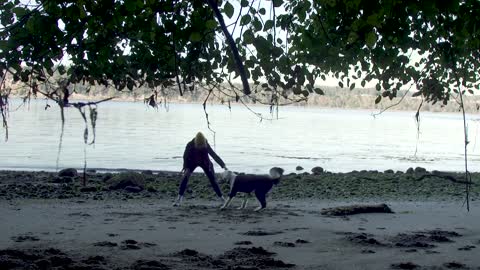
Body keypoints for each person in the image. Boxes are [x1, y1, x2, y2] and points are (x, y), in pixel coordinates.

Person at [173, 132, 227, 206]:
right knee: (185, 178)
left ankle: (222, 198)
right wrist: (185, 167)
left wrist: (223, 165)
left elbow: (213, 155)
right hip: (192, 162)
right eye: (199, 145)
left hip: (205, 162)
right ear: (196, 143)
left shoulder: (206, 144)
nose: (201, 146)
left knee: (213, 180)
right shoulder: (190, 145)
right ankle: (179, 198)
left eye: (202, 145)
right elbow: (185, 156)